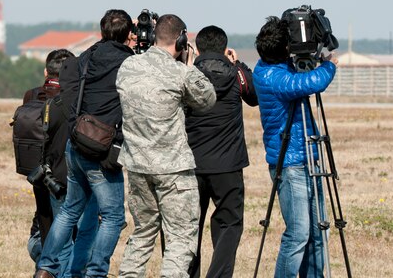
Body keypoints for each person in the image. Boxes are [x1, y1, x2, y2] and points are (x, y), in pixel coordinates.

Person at [35, 9, 135, 278]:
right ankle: (95, 272)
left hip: (76, 142)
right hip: (102, 148)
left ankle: (46, 267)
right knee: (113, 217)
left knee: (69, 210)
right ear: (128, 35)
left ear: (101, 32)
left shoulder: (86, 58)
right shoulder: (129, 62)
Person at [115, 14, 216, 278]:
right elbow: (208, 99)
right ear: (181, 40)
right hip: (173, 169)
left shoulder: (128, 67)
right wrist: (190, 66)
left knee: (143, 233)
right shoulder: (180, 73)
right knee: (181, 239)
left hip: (137, 166)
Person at [253, 16, 338, 278]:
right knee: (299, 234)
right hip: (290, 164)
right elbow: (309, 83)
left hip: (307, 158)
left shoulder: (273, 66)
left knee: (317, 232)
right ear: (284, 49)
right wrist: (329, 66)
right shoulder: (272, 77)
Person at [186, 26, 258, 278]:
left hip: (190, 166)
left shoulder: (187, 74)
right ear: (224, 48)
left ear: (198, 48)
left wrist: (188, 61)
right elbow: (254, 96)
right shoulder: (236, 73)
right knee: (229, 224)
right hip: (228, 165)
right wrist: (238, 63)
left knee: (187, 228)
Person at [37, 50, 99, 278]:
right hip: (83, 177)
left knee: (61, 237)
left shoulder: (51, 105)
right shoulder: (88, 103)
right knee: (85, 234)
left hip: (56, 178)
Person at [23, 48, 74, 260]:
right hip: (65, 173)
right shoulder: (71, 99)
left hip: (38, 173)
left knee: (45, 225)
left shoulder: (31, 95)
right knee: (69, 231)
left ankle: (45, 265)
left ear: (46, 72)